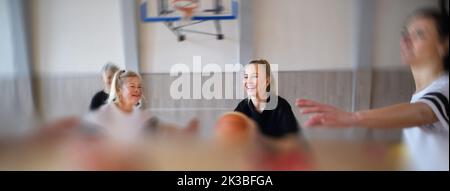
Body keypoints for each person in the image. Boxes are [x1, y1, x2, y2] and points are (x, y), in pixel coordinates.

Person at [296, 8, 449, 171]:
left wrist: (352, 117)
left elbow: (423, 113)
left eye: (419, 34)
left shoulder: (445, 88)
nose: (406, 40)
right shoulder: (422, 94)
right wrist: (393, 154)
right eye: (406, 33)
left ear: (444, 45)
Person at [235, 59, 300, 139]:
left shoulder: (281, 106)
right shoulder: (242, 107)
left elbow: (293, 141)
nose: (248, 81)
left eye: (254, 76)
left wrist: (265, 144)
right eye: (246, 77)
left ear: (266, 81)